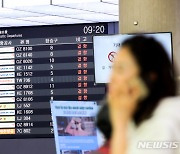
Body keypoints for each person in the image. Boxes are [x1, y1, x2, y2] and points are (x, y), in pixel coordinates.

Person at [95, 36, 180, 154]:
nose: (112, 78)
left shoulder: (162, 125)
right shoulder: (140, 120)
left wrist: (120, 125)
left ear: (148, 78)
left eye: (120, 69)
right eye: (113, 69)